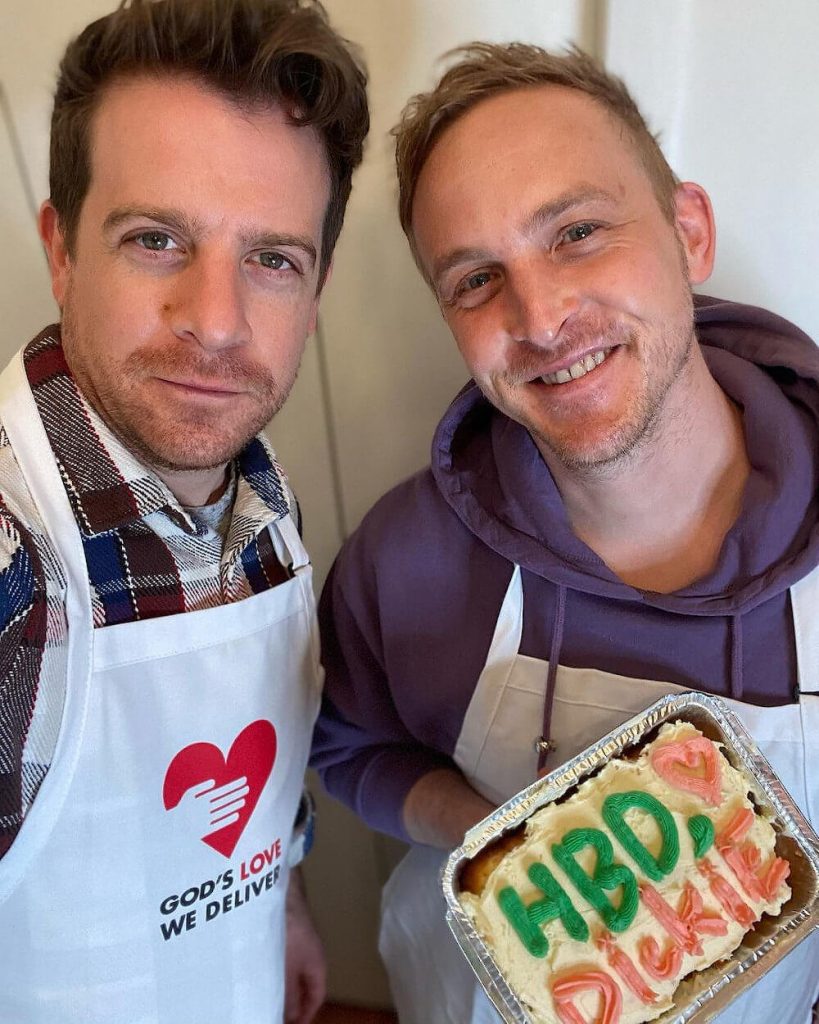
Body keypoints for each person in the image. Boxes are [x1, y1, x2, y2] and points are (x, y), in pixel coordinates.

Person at [312, 43, 819, 1024]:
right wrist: (504, 832)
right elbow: (349, 749)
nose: (540, 316)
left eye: (578, 231)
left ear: (689, 231)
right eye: (475, 280)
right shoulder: (406, 563)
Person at [0, 1, 368, 1021]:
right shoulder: (11, 574)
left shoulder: (257, 497)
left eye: (271, 260)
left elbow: (254, 765)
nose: (215, 324)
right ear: (62, 248)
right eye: (158, 238)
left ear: (317, 286)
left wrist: (280, 905)